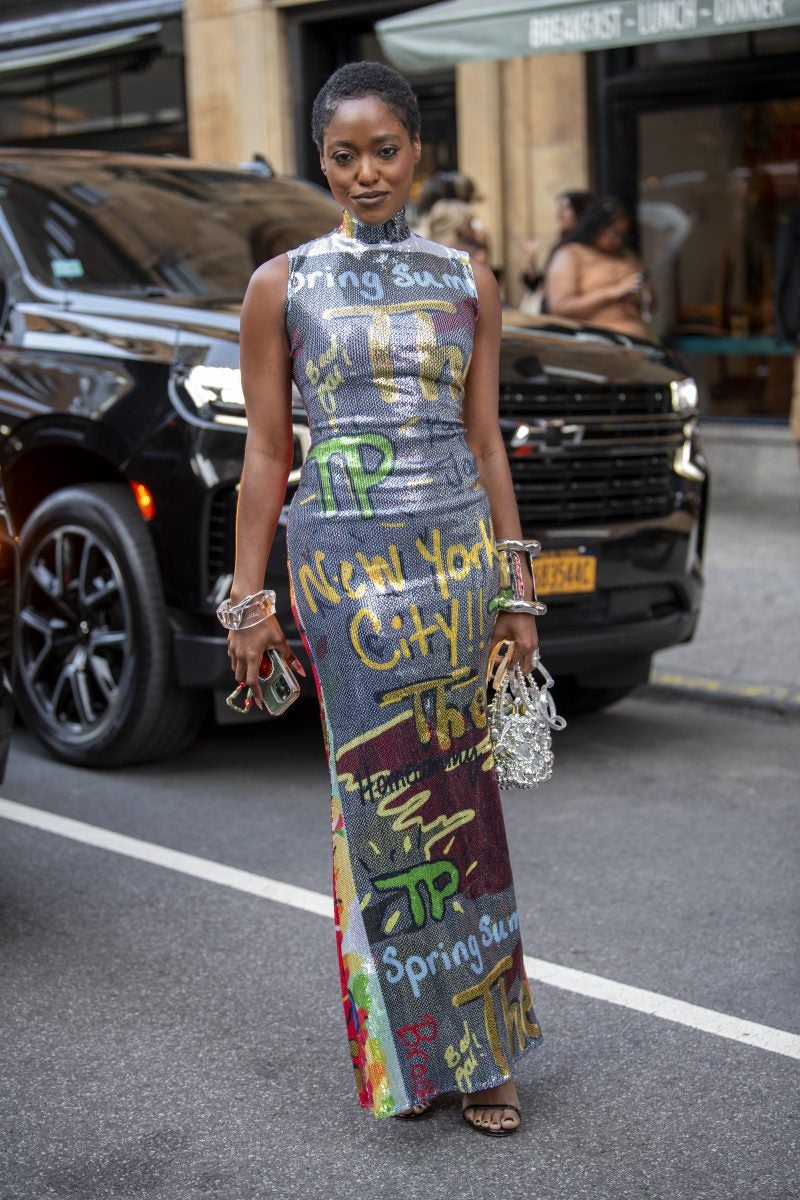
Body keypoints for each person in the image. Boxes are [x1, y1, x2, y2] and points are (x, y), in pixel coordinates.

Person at [226, 60, 543, 1136]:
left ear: (416, 153)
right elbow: (267, 454)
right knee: (374, 813)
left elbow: (483, 438)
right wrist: (248, 601)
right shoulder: (282, 283)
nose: (365, 173)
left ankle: (482, 1049)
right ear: (320, 160)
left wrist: (517, 588)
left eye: (385, 150)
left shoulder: (466, 280)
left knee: (465, 806)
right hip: (339, 575)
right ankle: (413, 1058)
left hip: (454, 566)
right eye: (343, 154)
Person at [545, 196, 653, 339]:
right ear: (596, 226)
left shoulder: (627, 256)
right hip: (596, 340)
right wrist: (614, 291)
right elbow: (560, 307)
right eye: (612, 233)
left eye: (622, 235)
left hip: (637, 338)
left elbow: (651, 303)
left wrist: (642, 294)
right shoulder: (572, 254)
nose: (617, 240)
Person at [519, 188, 593, 313]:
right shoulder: (561, 243)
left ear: (580, 211)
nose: (559, 213)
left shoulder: (585, 246)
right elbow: (538, 285)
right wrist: (530, 259)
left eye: (566, 208)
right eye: (559, 208)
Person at [426, 196, 489, 264]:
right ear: (458, 226)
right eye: (469, 222)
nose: (473, 226)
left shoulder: (426, 251)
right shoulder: (474, 255)